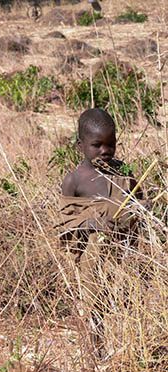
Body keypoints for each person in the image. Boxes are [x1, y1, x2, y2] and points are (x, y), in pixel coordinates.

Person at [58, 108, 139, 358]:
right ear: (80, 145)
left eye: (110, 145)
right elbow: (66, 224)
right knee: (94, 308)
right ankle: (96, 355)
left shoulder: (122, 172)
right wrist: (94, 224)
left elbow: (136, 201)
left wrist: (139, 210)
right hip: (91, 260)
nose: (105, 151)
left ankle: (127, 351)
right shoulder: (75, 180)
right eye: (97, 145)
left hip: (123, 254)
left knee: (126, 303)